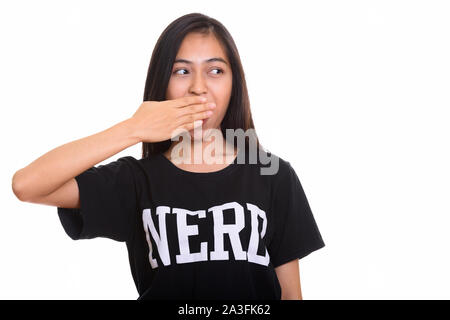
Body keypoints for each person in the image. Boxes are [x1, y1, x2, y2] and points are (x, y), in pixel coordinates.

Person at [11, 12, 325, 300]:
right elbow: (28, 185)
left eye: (215, 70)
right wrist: (133, 128)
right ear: (163, 82)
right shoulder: (136, 180)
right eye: (182, 71)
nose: (198, 88)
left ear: (234, 84)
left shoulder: (273, 175)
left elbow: (291, 296)